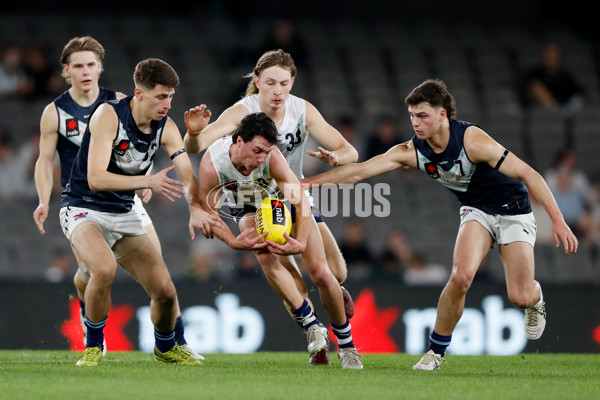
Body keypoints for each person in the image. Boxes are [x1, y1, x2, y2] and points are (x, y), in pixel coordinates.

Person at [302, 79, 578, 370]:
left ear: (442, 114)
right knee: (459, 277)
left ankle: (536, 300)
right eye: (412, 116)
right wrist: (307, 183)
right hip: (476, 210)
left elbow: (528, 173)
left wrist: (557, 220)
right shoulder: (413, 150)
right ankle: (435, 353)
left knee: (519, 296)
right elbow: (359, 172)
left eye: (422, 116)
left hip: (513, 210)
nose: (415, 123)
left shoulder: (472, 140)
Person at [33, 37, 203, 362]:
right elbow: (52, 163)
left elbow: (159, 152)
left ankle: (169, 344)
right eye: (79, 65)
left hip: (126, 201)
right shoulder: (71, 113)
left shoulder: (138, 107)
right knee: (103, 269)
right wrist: (43, 200)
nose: (167, 104)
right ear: (67, 71)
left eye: (91, 64)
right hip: (83, 202)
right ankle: (94, 345)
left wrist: (193, 203)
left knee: (163, 286)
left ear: (100, 68)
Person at [183, 48, 358, 326]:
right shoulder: (242, 112)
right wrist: (193, 134)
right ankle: (314, 334)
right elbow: (197, 146)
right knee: (280, 268)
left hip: (292, 192)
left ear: (292, 83)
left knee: (334, 273)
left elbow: (350, 152)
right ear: (257, 80)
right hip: (251, 198)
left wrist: (336, 158)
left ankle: (335, 290)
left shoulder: (302, 110)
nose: (278, 91)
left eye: (284, 83)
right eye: (270, 83)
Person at [197, 112, 363, 369]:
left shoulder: (272, 158)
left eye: (266, 151)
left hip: (284, 199)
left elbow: (298, 200)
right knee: (266, 256)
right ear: (238, 140)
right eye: (257, 150)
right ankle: (315, 329)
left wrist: (302, 241)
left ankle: (345, 340)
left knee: (322, 273)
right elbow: (208, 213)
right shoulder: (212, 165)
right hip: (248, 206)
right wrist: (231, 240)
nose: (261, 158)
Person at [522, 42, 586, 116]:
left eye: (556, 56)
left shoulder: (565, 76)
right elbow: (525, 93)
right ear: (544, 57)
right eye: (550, 56)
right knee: (536, 87)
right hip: (539, 109)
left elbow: (579, 92)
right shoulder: (534, 73)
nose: (553, 58)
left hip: (564, 108)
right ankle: (556, 113)